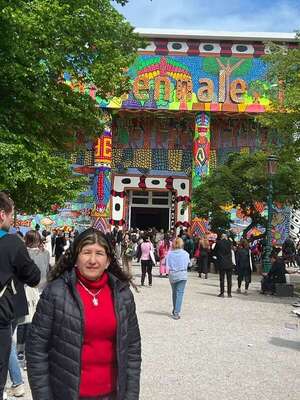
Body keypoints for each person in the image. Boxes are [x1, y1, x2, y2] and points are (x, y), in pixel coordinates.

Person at [27, 228, 141, 400]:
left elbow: (132, 349)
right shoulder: (56, 292)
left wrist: (131, 395)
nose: (93, 260)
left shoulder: (122, 294)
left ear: (108, 260)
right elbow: (36, 350)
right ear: (75, 258)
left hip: (112, 394)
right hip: (67, 393)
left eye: (99, 253)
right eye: (86, 252)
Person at [0, 192, 41, 400]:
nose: (12, 219)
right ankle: (16, 383)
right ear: (1, 215)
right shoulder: (12, 243)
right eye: (11, 215)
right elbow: (34, 276)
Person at [165, 237, 190, 320]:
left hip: (172, 274)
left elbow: (166, 263)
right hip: (182, 274)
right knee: (180, 293)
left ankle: (175, 309)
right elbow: (189, 264)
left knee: (174, 292)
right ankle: (176, 311)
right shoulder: (186, 254)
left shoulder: (169, 253)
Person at [214, 233, 234, 298]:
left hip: (221, 262)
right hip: (229, 262)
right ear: (226, 237)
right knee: (229, 279)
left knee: (222, 279)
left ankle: (222, 293)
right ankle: (229, 293)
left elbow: (214, 251)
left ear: (221, 237)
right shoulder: (229, 242)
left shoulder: (218, 243)